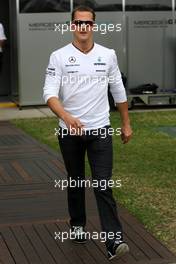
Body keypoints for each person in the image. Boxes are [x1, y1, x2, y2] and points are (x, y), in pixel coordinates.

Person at [43, 5, 132, 260]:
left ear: (94, 26)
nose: (83, 27)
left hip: (101, 130)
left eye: (88, 23)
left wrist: (125, 123)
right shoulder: (58, 56)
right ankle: (78, 225)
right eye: (79, 23)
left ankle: (113, 242)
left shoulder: (108, 55)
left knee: (103, 184)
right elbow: (49, 93)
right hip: (69, 132)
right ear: (72, 25)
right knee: (76, 180)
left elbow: (118, 92)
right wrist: (66, 117)